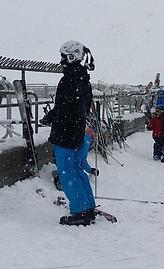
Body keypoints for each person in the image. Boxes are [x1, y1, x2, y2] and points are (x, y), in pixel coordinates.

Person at [40, 40, 97, 226]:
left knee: (67, 173)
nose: (61, 61)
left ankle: (80, 212)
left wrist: (50, 117)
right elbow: (81, 107)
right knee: (77, 171)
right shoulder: (83, 79)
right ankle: (88, 206)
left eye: (63, 57)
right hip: (77, 132)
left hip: (66, 134)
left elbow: (63, 108)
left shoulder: (68, 80)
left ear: (72, 57)